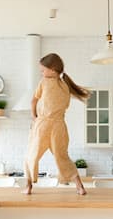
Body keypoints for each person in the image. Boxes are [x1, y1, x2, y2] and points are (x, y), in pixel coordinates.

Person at [23, 53, 91, 195]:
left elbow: (33, 101)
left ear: (52, 69)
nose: (42, 73)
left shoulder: (43, 82)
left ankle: (28, 187)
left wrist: (34, 117)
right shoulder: (65, 85)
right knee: (62, 156)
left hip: (43, 124)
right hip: (59, 126)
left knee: (31, 155)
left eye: (43, 70)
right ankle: (80, 187)